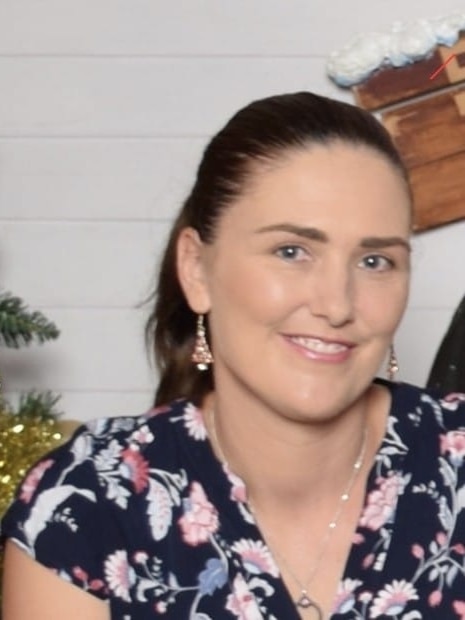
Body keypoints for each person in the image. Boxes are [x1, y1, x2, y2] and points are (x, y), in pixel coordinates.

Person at [2, 90, 465, 620]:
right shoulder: (89, 502)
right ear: (197, 270)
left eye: (376, 260)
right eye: (291, 252)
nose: (337, 305)